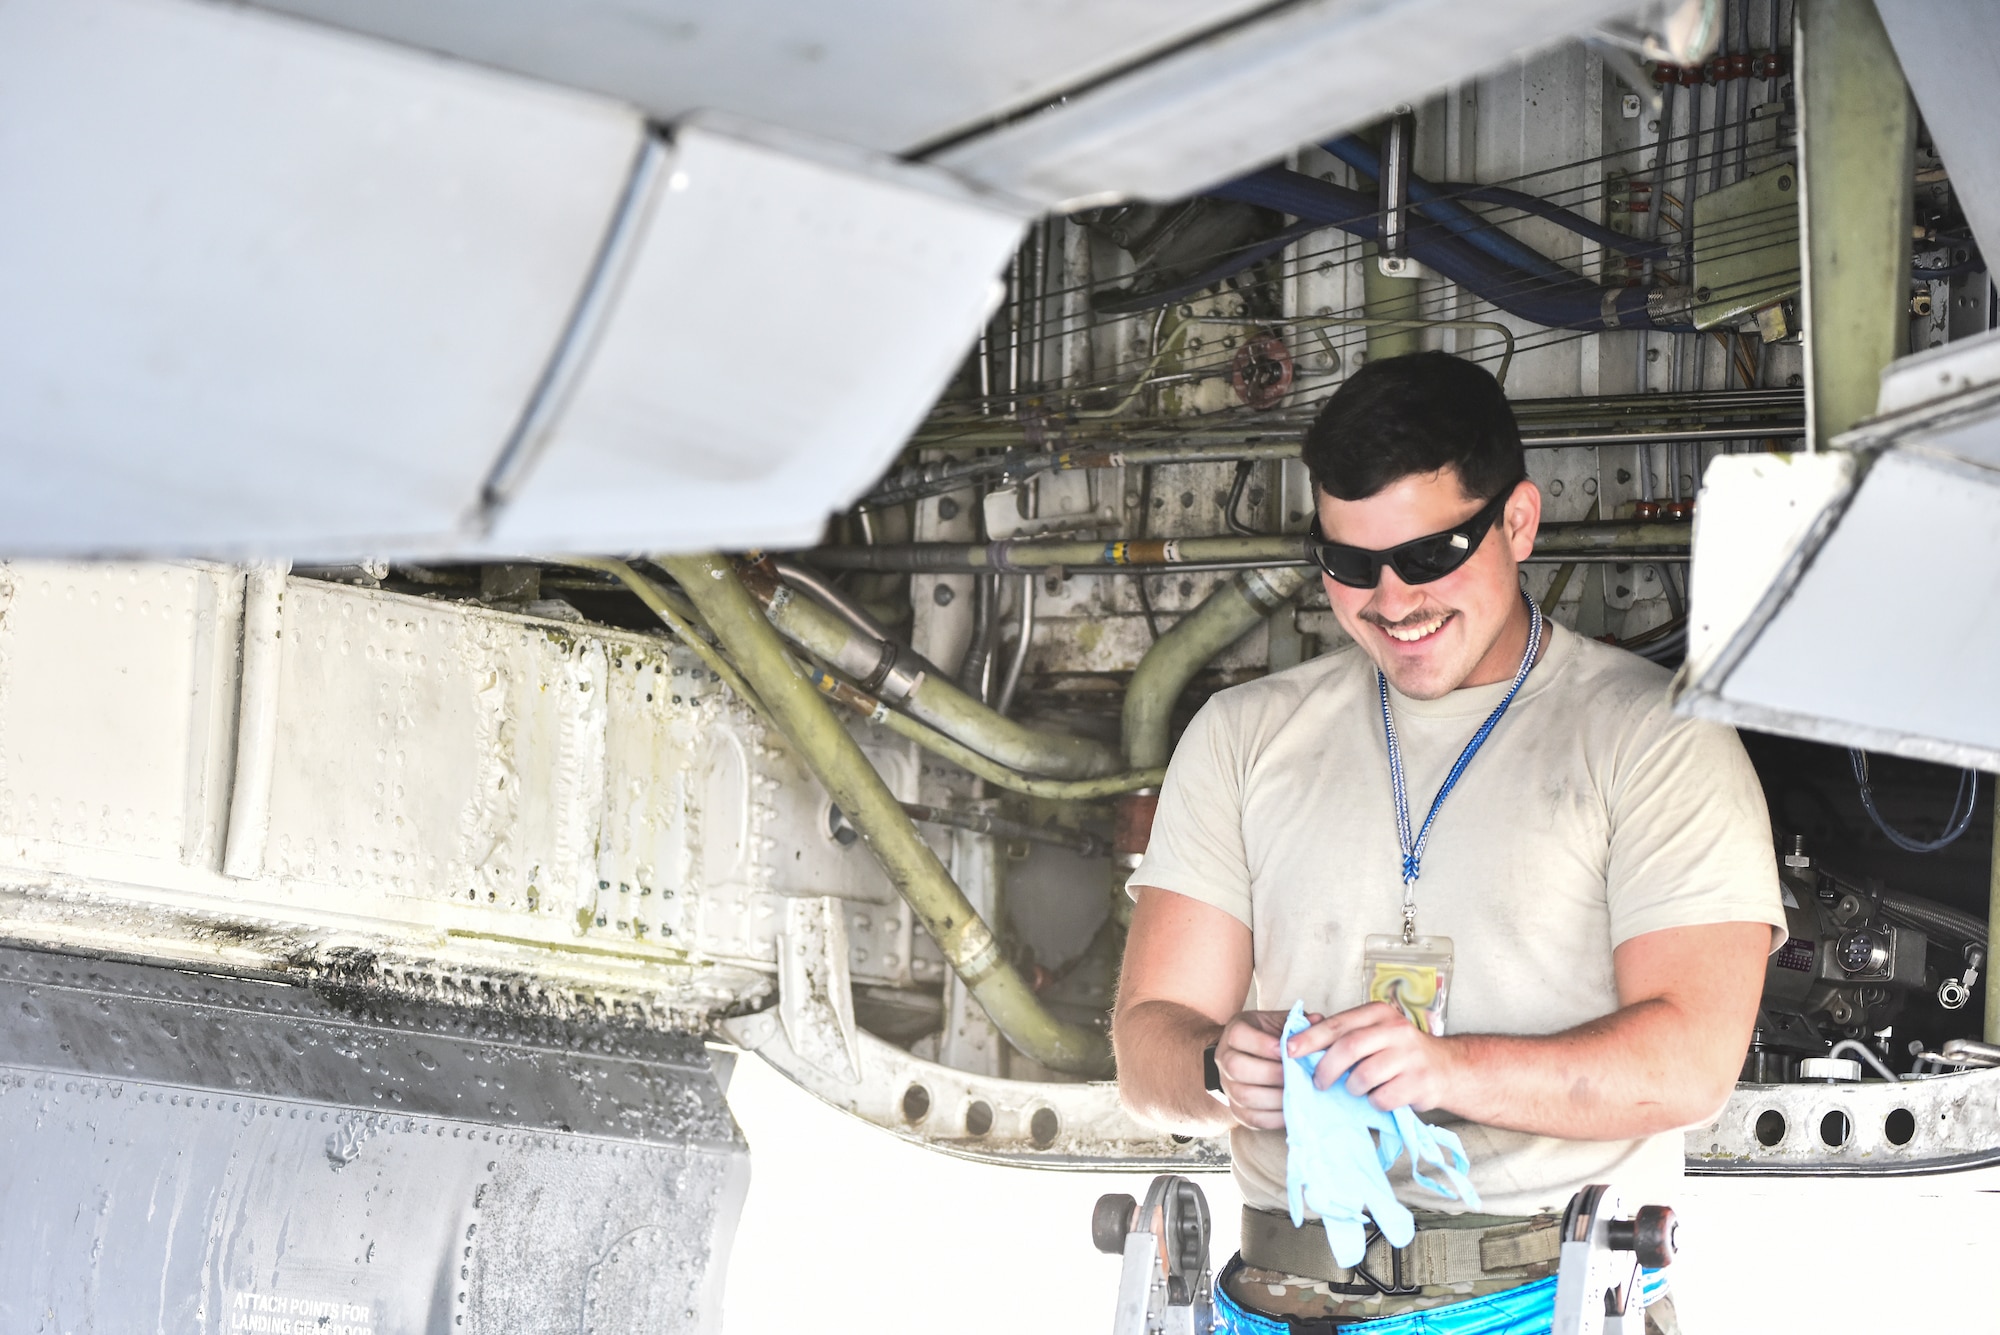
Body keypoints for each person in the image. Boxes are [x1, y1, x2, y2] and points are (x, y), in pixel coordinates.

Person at [1112, 352, 1785, 1333]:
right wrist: (1219, 1070)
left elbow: (1688, 1065)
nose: (1392, 602)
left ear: (1516, 521)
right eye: (1350, 566)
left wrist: (1448, 1069)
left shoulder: (1655, 739)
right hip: (1274, 1300)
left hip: (1538, 1301)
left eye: (1428, 557)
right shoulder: (1240, 736)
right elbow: (1145, 1056)